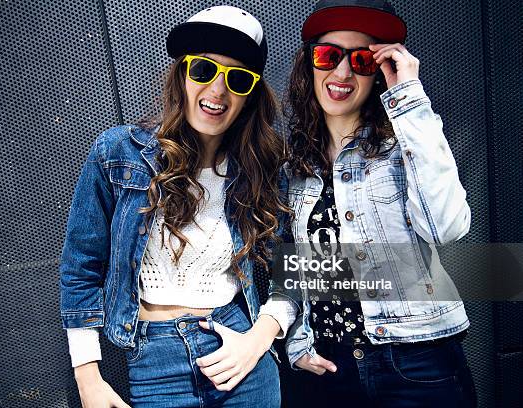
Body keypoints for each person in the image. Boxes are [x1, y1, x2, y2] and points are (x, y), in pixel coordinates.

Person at [59, 5, 297, 408]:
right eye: (204, 70)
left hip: (237, 353)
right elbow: (80, 267)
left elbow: (292, 269)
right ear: (182, 75)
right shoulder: (118, 153)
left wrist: (257, 341)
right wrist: (88, 379)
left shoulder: (260, 168)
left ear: (249, 96)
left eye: (237, 79)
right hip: (154, 363)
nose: (218, 91)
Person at [282, 0, 477, 406]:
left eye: (362, 60)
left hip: (416, 362)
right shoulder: (294, 164)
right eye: (328, 55)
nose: (342, 72)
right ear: (309, 64)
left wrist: (408, 94)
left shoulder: (403, 146)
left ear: (379, 73)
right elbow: (294, 265)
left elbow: (447, 228)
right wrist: (298, 344)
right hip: (329, 370)